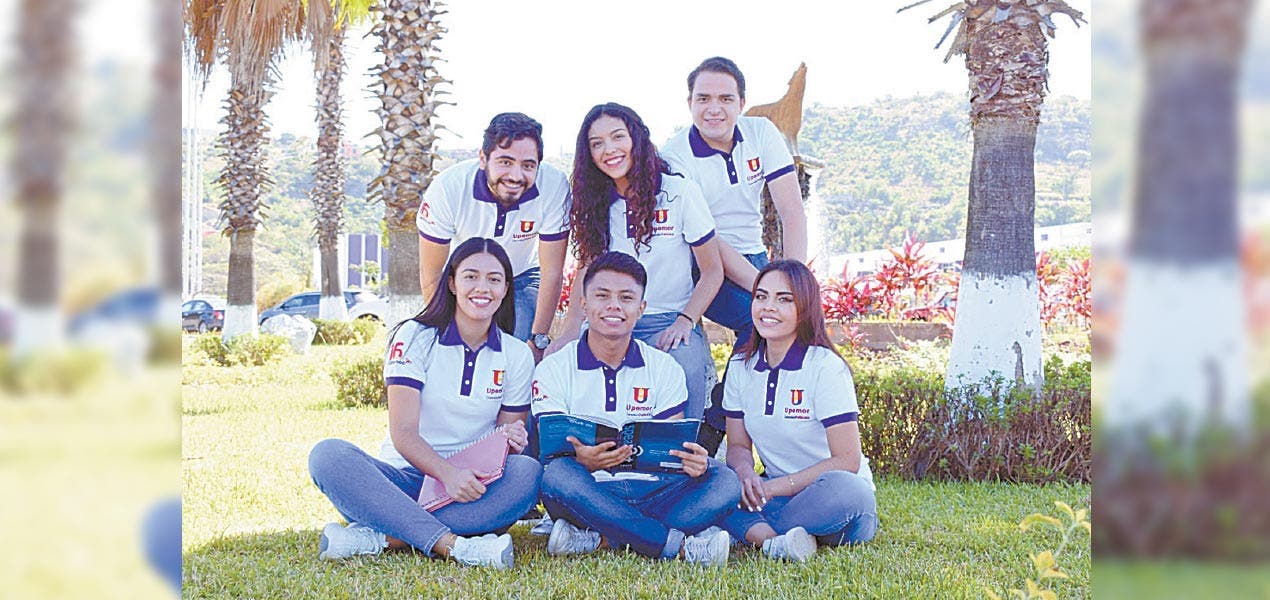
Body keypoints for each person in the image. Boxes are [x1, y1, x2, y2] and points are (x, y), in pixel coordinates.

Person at [308, 238, 541, 569]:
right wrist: (447, 474)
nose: (482, 288)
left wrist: (511, 440)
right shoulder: (414, 336)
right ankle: (453, 545)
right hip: (402, 480)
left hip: (470, 486)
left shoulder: (516, 354)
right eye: (471, 276)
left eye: (494, 279)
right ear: (452, 283)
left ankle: (384, 536)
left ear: (505, 289)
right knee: (328, 456)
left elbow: (502, 445)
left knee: (527, 472)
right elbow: (403, 433)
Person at [532, 251, 739, 565]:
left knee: (724, 480)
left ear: (641, 308)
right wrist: (582, 460)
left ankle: (602, 537)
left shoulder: (664, 367)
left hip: (653, 491)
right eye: (602, 296)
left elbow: (670, 450)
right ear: (584, 305)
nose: (614, 306)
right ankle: (671, 544)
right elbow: (552, 453)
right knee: (558, 476)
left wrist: (692, 462)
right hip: (588, 489)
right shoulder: (554, 367)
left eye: (626, 298)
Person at [661, 56, 809, 447]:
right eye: (703, 98)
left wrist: (796, 283)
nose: (714, 108)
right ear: (689, 103)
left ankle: (789, 442)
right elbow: (707, 240)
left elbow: (792, 212)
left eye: (726, 99)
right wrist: (766, 288)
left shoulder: (761, 133)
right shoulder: (675, 156)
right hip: (703, 262)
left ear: (742, 103)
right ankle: (715, 424)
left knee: (800, 329)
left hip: (755, 255)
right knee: (760, 321)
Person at [546, 102, 724, 421]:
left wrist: (685, 321)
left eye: (618, 137)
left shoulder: (678, 192)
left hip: (668, 318)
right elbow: (586, 269)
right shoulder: (593, 202)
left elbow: (713, 271)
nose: (609, 150)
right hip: (609, 316)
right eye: (596, 143)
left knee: (686, 363)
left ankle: (688, 447)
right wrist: (571, 328)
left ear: (637, 139)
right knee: (564, 366)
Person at [714, 260, 877, 562]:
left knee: (847, 488)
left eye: (784, 299)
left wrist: (771, 488)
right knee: (715, 482)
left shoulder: (825, 367)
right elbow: (737, 447)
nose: (768, 307)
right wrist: (746, 476)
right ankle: (778, 541)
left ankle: (756, 532)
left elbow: (847, 460)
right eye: (761, 296)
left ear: (805, 308)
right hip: (777, 498)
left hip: (834, 501)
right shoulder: (739, 366)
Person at [418, 112, 571, 355]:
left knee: (516, 352)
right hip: (464, 275)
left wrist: (537, 340)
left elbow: (552, 270)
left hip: (522, 273)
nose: (516, 176)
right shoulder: (448, 188)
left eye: (528, 165)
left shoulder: (554, 185)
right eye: (505, 162)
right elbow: (432, 270)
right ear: (483, 158)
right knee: (462, 349)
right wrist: (444, 329)